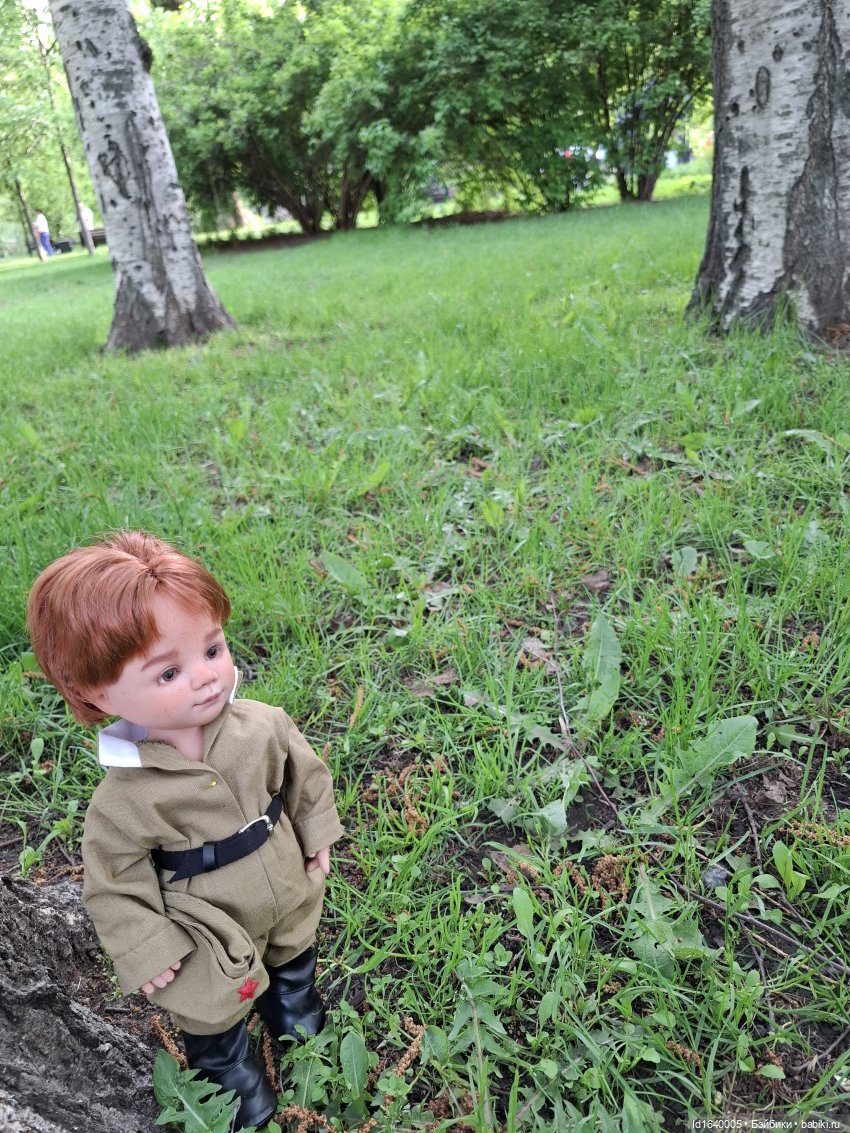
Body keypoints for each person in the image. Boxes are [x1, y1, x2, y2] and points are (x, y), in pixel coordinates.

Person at [27, 531, 344, 1131]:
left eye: (213, 649)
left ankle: (292, 998)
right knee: (206, 998)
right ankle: (224, 1067)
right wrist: (146, 946)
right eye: (168, 672)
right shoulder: (123, 797)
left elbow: (305, 775)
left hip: (279, 862)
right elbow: (113, 877)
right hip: (205, 918)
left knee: (294, 937)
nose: (206, 678)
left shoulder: (261, 726)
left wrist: (316, 827)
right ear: (95, 692)